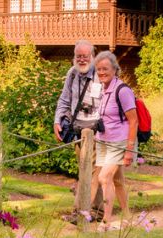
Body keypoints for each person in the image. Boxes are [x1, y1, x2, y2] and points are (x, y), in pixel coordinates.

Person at [53, 40, 104, 223]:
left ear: (92, 56)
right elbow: (64, 100)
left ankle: (78, 213)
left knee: (88, 171)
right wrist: (57, 120)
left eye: (85, 56)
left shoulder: (101, 74)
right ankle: (97, 211)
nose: (82, 60)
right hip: (77, 130)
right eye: (78, 56)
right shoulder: (72, 74)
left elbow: (108, 103)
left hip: (96, 132)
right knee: (88, 171)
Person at [91, 51, 138, 230]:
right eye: (99, 69)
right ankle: (127, 217)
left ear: (115, 69)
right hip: (103, 140)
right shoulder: (102, 89)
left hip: (119, 141)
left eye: (105, 69)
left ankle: (106, 222)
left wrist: (129, 150)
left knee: (104, 177)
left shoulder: (123, 90)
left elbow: (133, 121)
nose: (102, 72)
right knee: (117, 181)